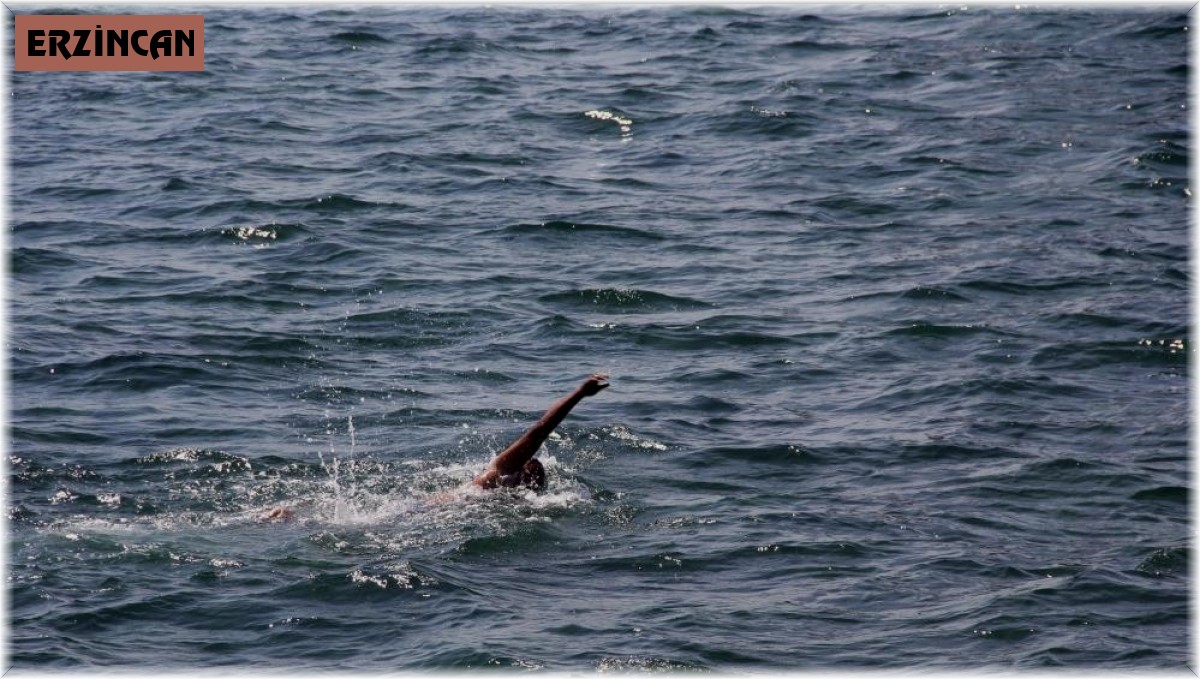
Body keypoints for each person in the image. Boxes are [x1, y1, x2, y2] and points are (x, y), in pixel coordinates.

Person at [259, 373, 610, 522]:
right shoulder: (498, 476)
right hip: (422, 513)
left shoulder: (499, 489)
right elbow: (539, 432)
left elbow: (538, 432)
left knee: (363, 523)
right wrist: (578, 394)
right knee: (359, 526)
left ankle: (292, 518)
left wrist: (579, 393)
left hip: (423, 510)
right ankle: (291, 519)